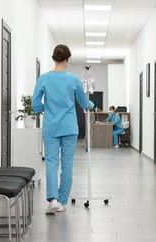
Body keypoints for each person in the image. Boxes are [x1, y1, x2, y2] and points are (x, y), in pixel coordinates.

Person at [32, 44, 92, 214]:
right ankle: (63, 201)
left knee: (51, 163)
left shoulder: (43, 79)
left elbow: (35, 105)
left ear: (54, 58)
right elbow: (83, 102)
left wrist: (47, 108)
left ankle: (53, 200)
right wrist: (91, 104)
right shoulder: (73, 79)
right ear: (68, 59)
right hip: (69, 127)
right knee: (67, 164)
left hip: (50, 127)